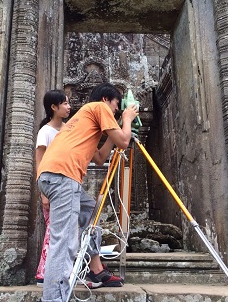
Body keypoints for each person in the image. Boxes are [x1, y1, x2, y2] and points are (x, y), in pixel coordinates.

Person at [37, 82, 139, 302]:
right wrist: (127, 121)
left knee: (91, 212)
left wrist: (116, 129)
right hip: (62, 177)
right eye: (116, 106)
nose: (117, 111)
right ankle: (53, 299)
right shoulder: (98, 107)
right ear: (105, 100)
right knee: (64, 243)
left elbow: (101, 159)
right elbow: (123, 141)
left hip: (53, 176)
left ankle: (95, 269)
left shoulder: (82, 123)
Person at [35, 90, 71, 286]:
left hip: (68, 184)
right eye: (64, 104)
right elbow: (40, 162)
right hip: (51, 187)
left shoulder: (68, 129)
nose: (68, 107)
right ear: (53, 107)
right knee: (53, 230)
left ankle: (58, 273)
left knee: (64, 231)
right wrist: (43, 193)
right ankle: (44, 273)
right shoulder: (46, 132)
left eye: (68, 103)